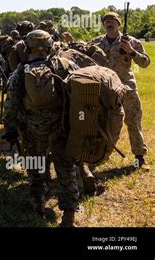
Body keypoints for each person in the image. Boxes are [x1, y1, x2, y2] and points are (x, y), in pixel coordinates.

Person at [2, 30, 80, 227]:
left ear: (28, 48)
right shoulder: (65, 65)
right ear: (50, 46)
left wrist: (10, 126)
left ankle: (38, 203)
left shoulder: (20, 71)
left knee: (36, 166)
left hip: (32, 129)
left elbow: (10, 103)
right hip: (61, 128)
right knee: (65, 168)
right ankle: (69, 215)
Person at [63, 12, 150, 169]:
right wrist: (71, 42)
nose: (109, 23)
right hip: (105, 91)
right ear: (104, 24)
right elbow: (79, 51)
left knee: (133, 121)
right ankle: (95, 157)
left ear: (118, 23)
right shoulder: (97, 42)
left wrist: (131, 51)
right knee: (100, 122)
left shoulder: (131, 41)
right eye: (106, 21)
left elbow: (145, 63)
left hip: (126, 88)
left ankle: (139, 158)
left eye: (112, 20)